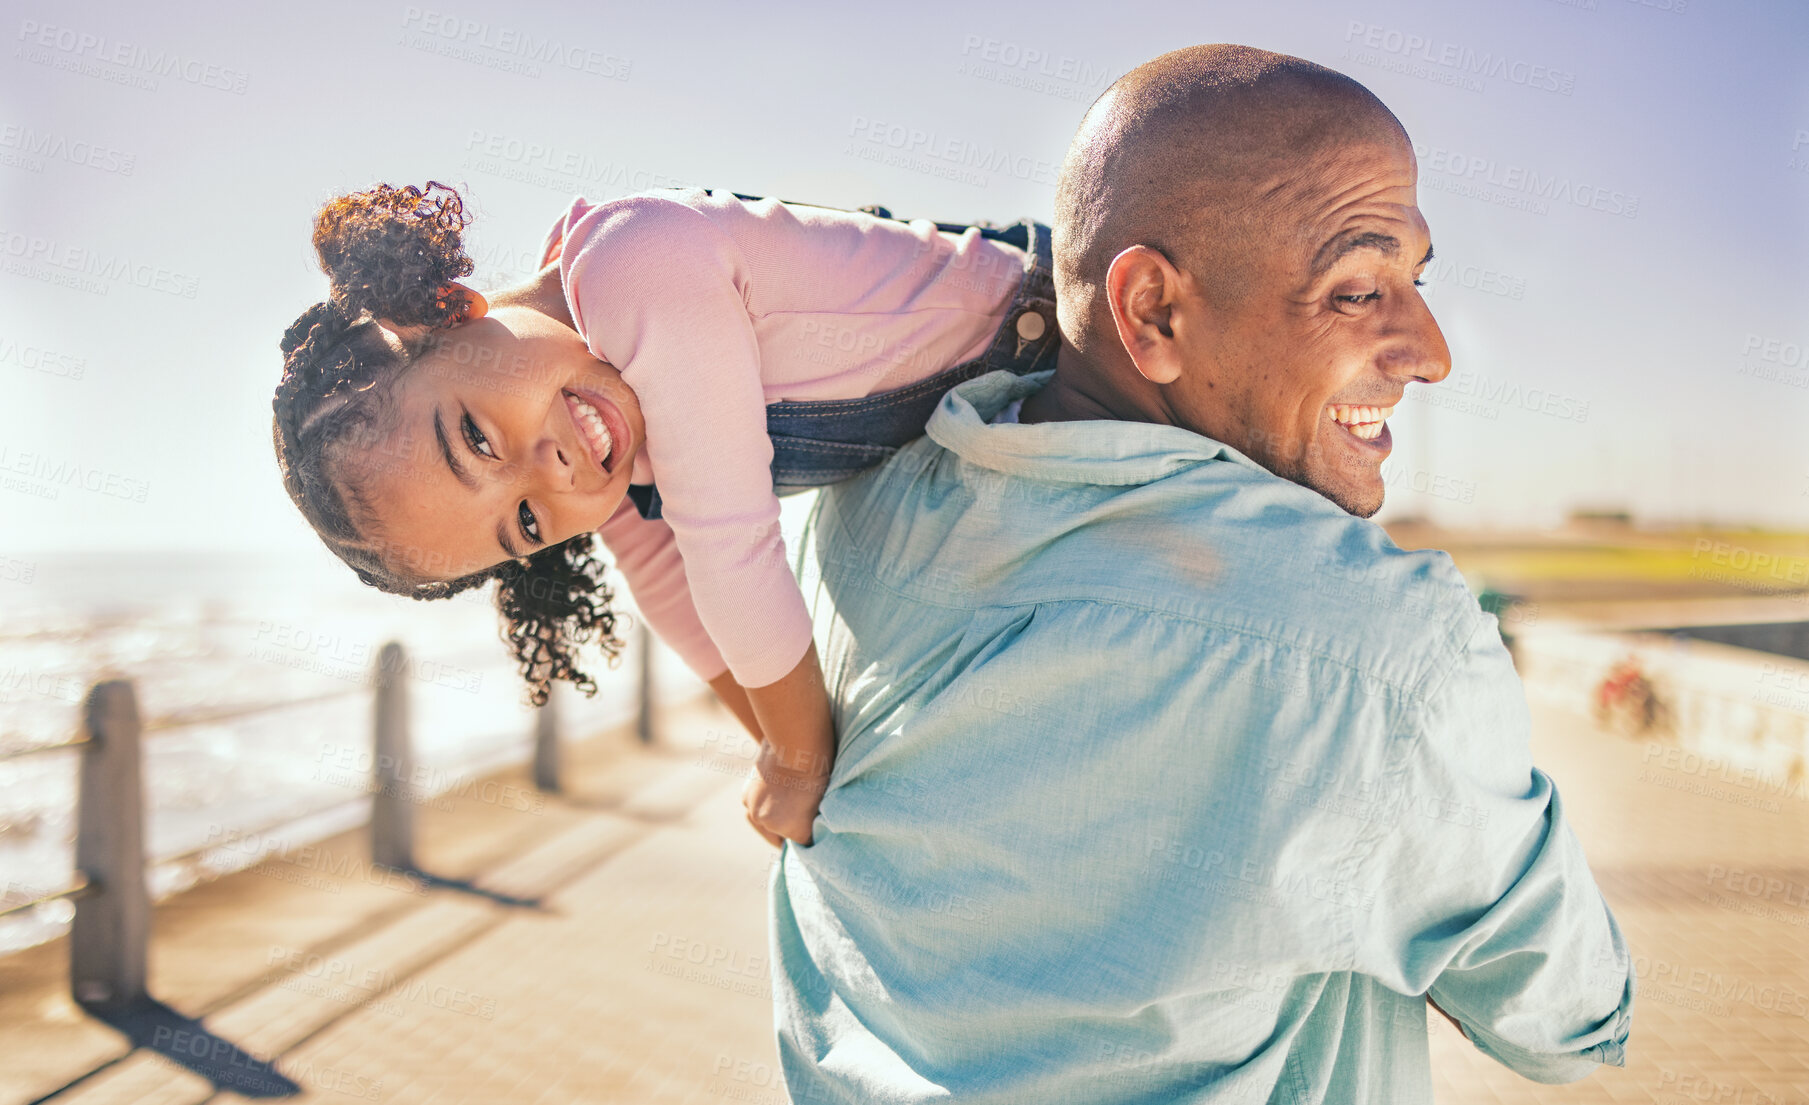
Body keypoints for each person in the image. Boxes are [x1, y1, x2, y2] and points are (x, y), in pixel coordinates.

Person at [771, 44, 1635, 1102]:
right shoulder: (1380, 647)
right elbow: (1573, 1022)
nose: (1430, 348)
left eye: (1417, 279)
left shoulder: (857, 502)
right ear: (1152, 313)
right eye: (1359, 288)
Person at [269, 183, 1058, 844]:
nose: (551, 473)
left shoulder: (631, 263)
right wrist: (782, 759)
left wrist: (798, 761)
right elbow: (672, 590)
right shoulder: (603, 424)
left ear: (447, 311)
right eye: (527, 524)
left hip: (1052, 330)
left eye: (475, 438)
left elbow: (730, 548)